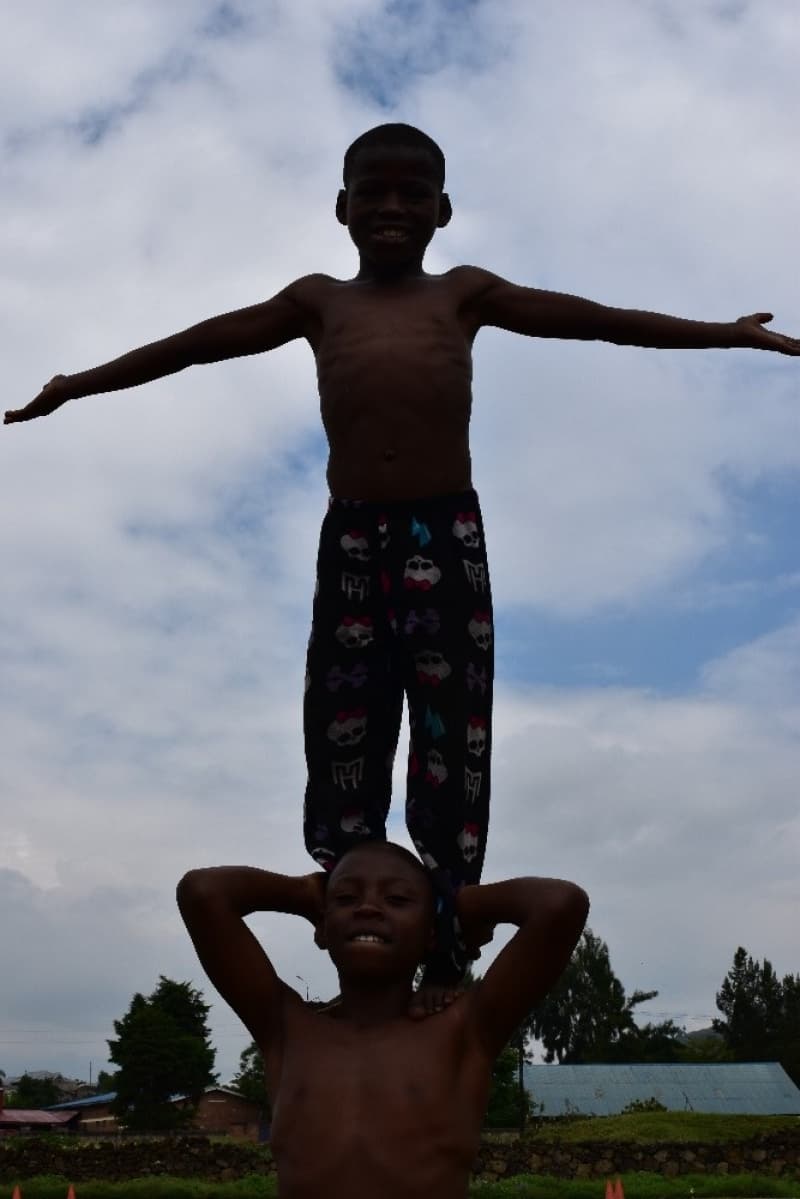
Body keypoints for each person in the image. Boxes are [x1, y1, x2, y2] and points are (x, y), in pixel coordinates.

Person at [7, 124, 798, 996]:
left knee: (450, 727)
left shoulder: (462, 294)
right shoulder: (317, 302)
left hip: (442, 535)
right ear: (341, 208)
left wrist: (726, 333)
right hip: (352, 537)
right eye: (372, 192)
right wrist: (79, 382)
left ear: (442, 210)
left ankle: (448, 946)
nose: (391, 206)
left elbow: (598, 322)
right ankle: (355, 936)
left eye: (412, 192)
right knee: (345, 715)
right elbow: (199, 341)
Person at [177, 840, 589, 1199]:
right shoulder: (285, 1029)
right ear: (321, 926)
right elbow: (202, 892)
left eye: (397, 899)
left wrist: (457, 904)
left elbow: (560, 904)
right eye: (345, 899)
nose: (369, 908)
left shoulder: (464, 1032)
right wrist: (301, 892)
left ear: (431, 933)